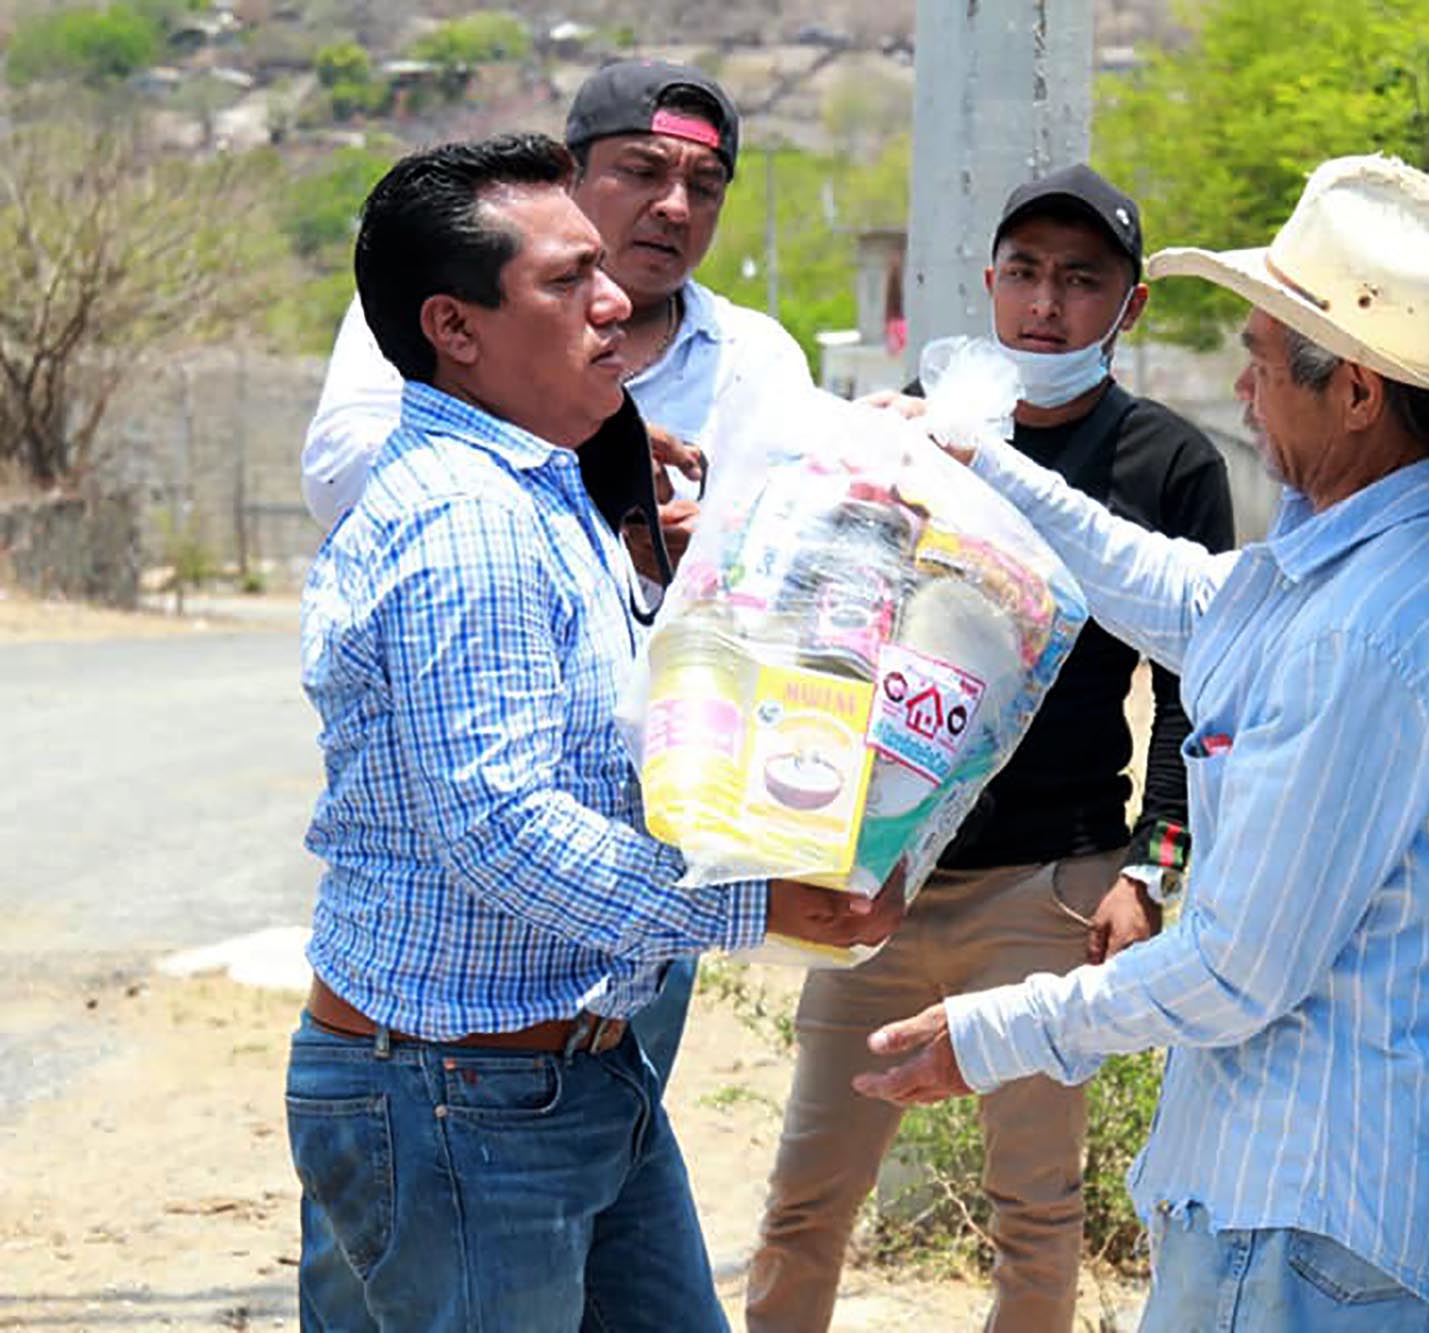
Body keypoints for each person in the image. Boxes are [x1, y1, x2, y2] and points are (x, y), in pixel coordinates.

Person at [853, 155, 1429, 1333]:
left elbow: (1235, 970)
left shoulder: (1366, 635)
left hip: (1298, 1209)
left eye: (1262, 363)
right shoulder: (1402, 534)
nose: (1239, 388)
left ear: (1359, 393)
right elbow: (1186, 596)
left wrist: (992, 1032)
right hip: (1336, 1187)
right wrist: (980, 464)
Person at [287, 132, 900, 1329]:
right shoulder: (468, 523)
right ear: (454, 330)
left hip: (569, 1068)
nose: (615, 297)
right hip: (461, 1095)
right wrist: (756, 903)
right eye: (565, 280)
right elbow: (504, 831)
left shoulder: (544, 485)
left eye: (596, 268)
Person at [746, 165, 1236, 1333]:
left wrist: (1146, 864)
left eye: (1080, 279)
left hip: (1042, 888)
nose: (1045, 305)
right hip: (878, 886)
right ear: (985, 283)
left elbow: (1191, 694)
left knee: (1035, 1206)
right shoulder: (909, 434)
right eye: (1023, 273)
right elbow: (828, 633)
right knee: (807, 1199)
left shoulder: (1167, 465)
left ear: (1130, 306)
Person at [299, 59, 813, 1086]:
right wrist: (605, 459)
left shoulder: (749, 356)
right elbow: (500, 828)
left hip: (617, 950)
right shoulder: (469, 489)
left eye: (703, 186)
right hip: (465, 1055)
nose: (671, 208)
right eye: (638, 172)